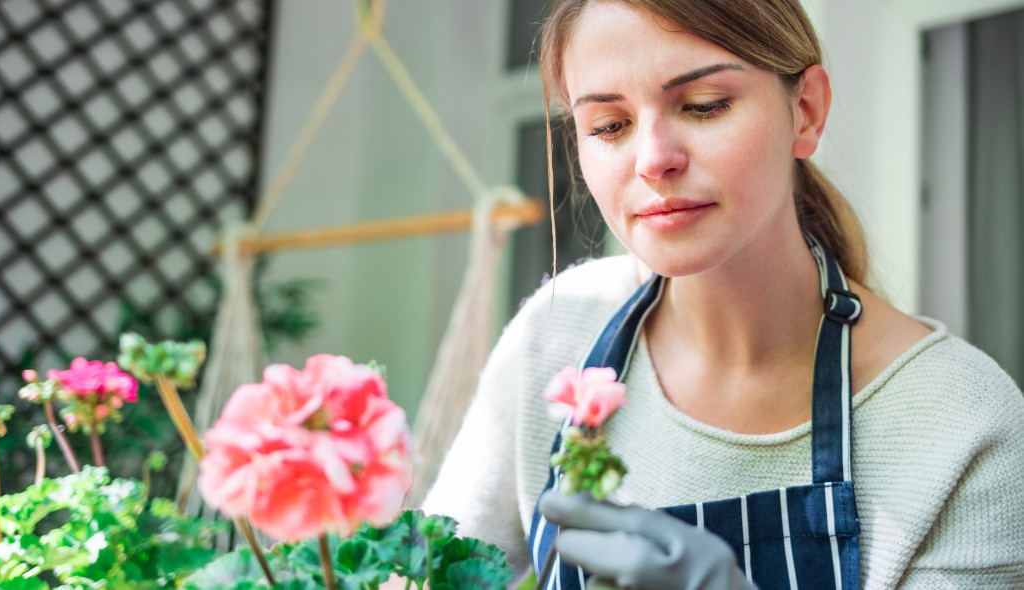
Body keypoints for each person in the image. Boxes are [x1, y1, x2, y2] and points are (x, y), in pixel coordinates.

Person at [422, 0, 1024, 588]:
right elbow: (429, 573)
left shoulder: (963, 424)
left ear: (807, 112)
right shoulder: (556, 334)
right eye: (609, 125)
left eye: (705, 106)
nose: (654, 160)